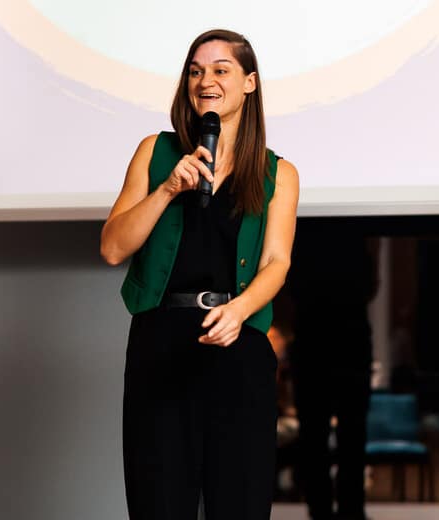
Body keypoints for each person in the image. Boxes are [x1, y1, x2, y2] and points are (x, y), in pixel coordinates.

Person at [100, 29, 299, 520]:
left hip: (238, 343)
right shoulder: (155, 151)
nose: (205, 81)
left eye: (220, 70)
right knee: (159, 502)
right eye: (195, 71)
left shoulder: (279, 173)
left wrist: (240, 310)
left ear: (249, 83)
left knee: (240, 503)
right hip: (161, 345)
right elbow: (112, 247)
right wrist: (168, 189)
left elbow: (277, 262)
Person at [289, 233, 376, 520]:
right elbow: (370, 286)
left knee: (318, 437)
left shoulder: (304, 241)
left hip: (319, 344)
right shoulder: (354, 242)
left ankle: (324, 509)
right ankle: (347, 509)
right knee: (346, 437)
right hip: (339, 344)